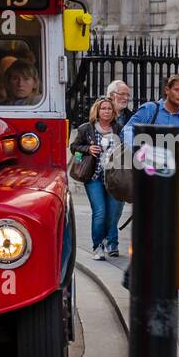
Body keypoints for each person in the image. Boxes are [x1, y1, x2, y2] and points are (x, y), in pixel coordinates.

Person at [70, 96, 123, 260]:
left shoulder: (119, 129)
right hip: (94, 177)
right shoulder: (86, 128)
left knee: (113, 213)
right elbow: (74, 148)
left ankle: (112, 242)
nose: (106, 111)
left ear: (113, 112)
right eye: (103, 108)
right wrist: (87, 149)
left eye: (109, 109)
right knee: (99, 212)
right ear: (97, 111)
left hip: (114, 178)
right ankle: (98, 246)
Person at [121, 73, 179, 148]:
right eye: (177, 90)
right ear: (167, 90)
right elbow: (127, 131)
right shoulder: (150, 109)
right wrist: (137, 151)